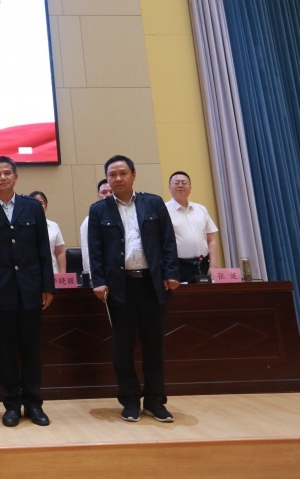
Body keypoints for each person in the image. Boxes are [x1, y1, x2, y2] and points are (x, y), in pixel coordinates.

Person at [88, 154, 179, 424]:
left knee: (154, 344)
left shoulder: (153, 203)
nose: (117, 179)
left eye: (122, 173)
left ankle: (155, 400)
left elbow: (168, 241)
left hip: (152, 283)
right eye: (112, 175)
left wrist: (171, 273)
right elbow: (95, 250)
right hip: (120, 286)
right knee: (122, 346)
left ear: (133, 175)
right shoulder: (99, 210)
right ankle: (129, 400)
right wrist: (99, 280)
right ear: (107, 179)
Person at [0, 157, 54, 427]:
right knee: (5, 351)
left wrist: (47, 286)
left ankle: (33, 403)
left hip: (31, 289)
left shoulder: (32, 207)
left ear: (16, 177)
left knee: (31, 349)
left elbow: (43, 249)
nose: (3, 177)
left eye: (7, 172)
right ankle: (11, 405)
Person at [166, 171, 220, 282]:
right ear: (169, 187)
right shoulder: (163, 210)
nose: (180, 185)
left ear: (190, 187)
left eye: (184, 183)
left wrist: (213, 266)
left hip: (203, 265)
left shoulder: (201, 209)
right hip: (178, 267)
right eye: (176, 183)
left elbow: (211, 240)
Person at [79, 179, 114, 280]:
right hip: (102, 275)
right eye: (104, 192)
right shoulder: (89, 221)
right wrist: (91, 276)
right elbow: (87, 252)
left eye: (111, 192)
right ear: (98, 196)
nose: (108, 195)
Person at [29, 191, 66, 274]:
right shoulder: (21, 227)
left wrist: (63, 274)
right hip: (30, 275)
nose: (38, 206)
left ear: (46, 206)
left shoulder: (53, 226)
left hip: (52, 273)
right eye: (34, 203)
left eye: (41, 203)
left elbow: (60, 253)